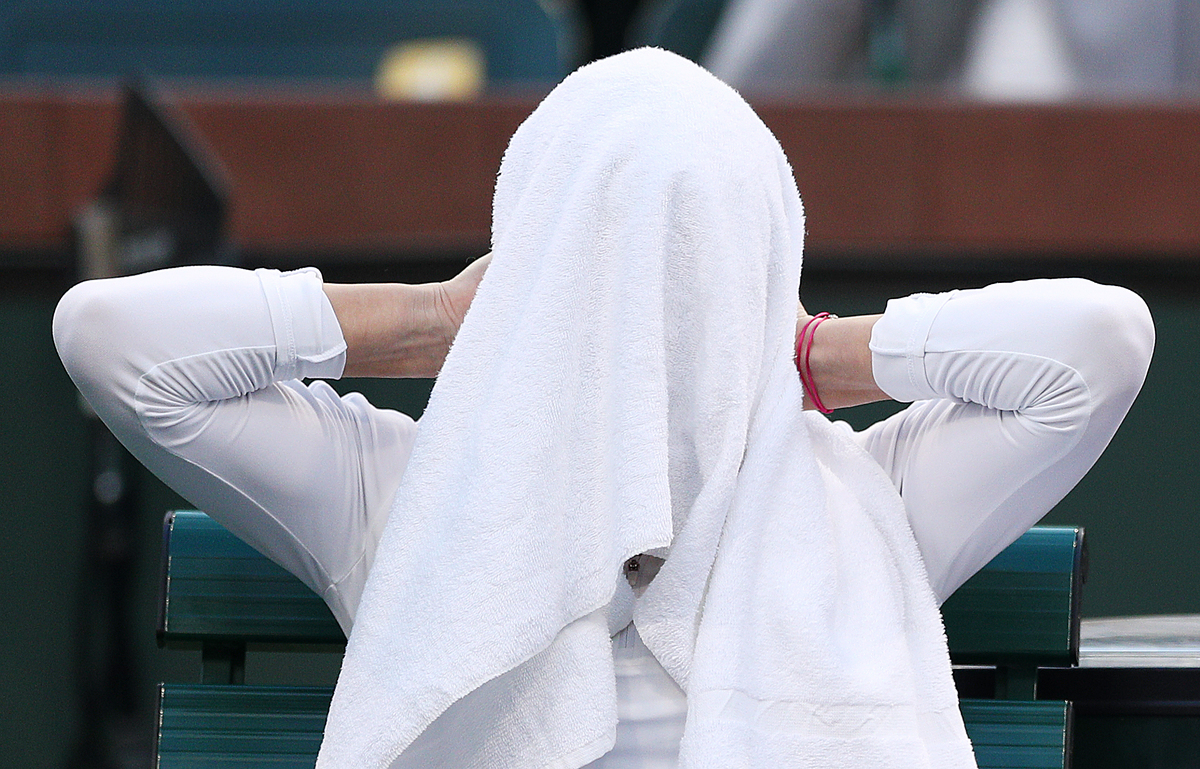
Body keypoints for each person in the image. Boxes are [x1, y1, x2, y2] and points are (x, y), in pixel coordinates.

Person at [54, 49, 1152, 768]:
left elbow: (1101, 345)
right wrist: (436, 322)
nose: (648, 319)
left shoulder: (860, 494)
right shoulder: (417, 498)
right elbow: (109, 340)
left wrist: (814, 353)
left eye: (700, 265)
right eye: (601, 266)